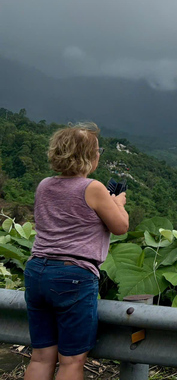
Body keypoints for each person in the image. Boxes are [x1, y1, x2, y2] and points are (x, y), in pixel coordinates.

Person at [24, 123, 129, 380]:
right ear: (89, 157)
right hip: (72, 275)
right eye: (97, 150)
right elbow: (121, 227)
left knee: (41, 357)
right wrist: (118, 203)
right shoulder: (92, 187)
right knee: (71, 362)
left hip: (37, 270)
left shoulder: (44, 185)